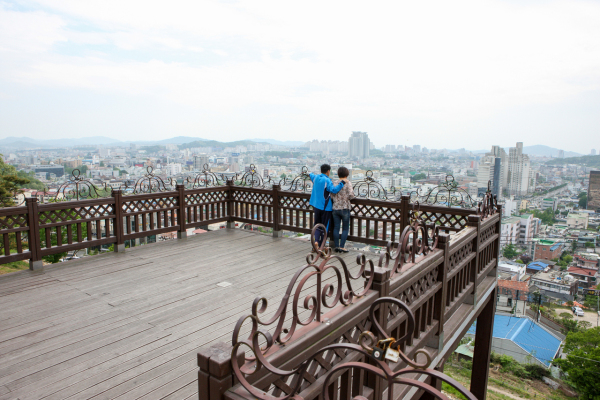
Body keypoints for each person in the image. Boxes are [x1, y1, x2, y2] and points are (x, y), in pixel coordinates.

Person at [309, 164, 346, 246]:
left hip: (316, 206)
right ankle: (322, 245)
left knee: (317, 225)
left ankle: (316, 242)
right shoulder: (327, 180)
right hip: (325, 208)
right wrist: (342, 183)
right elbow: (334, 190)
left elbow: (310, 174)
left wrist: (307, 172)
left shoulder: (315, 178)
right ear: (328, 171)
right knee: (325, 227)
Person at [331, 167, 354, 252]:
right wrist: (345, 198)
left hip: (335, 208)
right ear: (347, 174)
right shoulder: (348, 183)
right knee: (345, 228)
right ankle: (342, 246)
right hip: (345, 208)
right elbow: (351, 195)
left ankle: (336, 246)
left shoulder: (334, 183)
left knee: (336, 227)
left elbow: (331, 195)